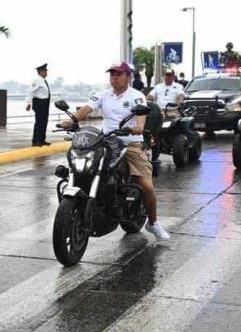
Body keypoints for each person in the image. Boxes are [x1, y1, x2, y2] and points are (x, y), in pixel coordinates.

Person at [61, 62, 170, 240]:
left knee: (147, 186)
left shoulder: (137, 96)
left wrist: (138, 128)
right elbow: (87, 108)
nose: (114, 77)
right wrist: (72, 120)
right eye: (112, 74)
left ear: (129, 77)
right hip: (107, 141)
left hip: (130, 144)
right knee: (83, 164)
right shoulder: (103, 95)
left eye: (119, 74)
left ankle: (153, 223)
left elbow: (141, 117)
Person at [25, 63, 51, 147]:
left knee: (44, 121)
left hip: (44, 103)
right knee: (39, 122)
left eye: (46, 71)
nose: (46, 73)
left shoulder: (43, 80)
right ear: (40, 72)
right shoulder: (37, 80)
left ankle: (42, 139)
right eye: (45, 71)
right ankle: (36, 140)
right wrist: (28, 103)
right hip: (39, 103)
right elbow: (30, 91)